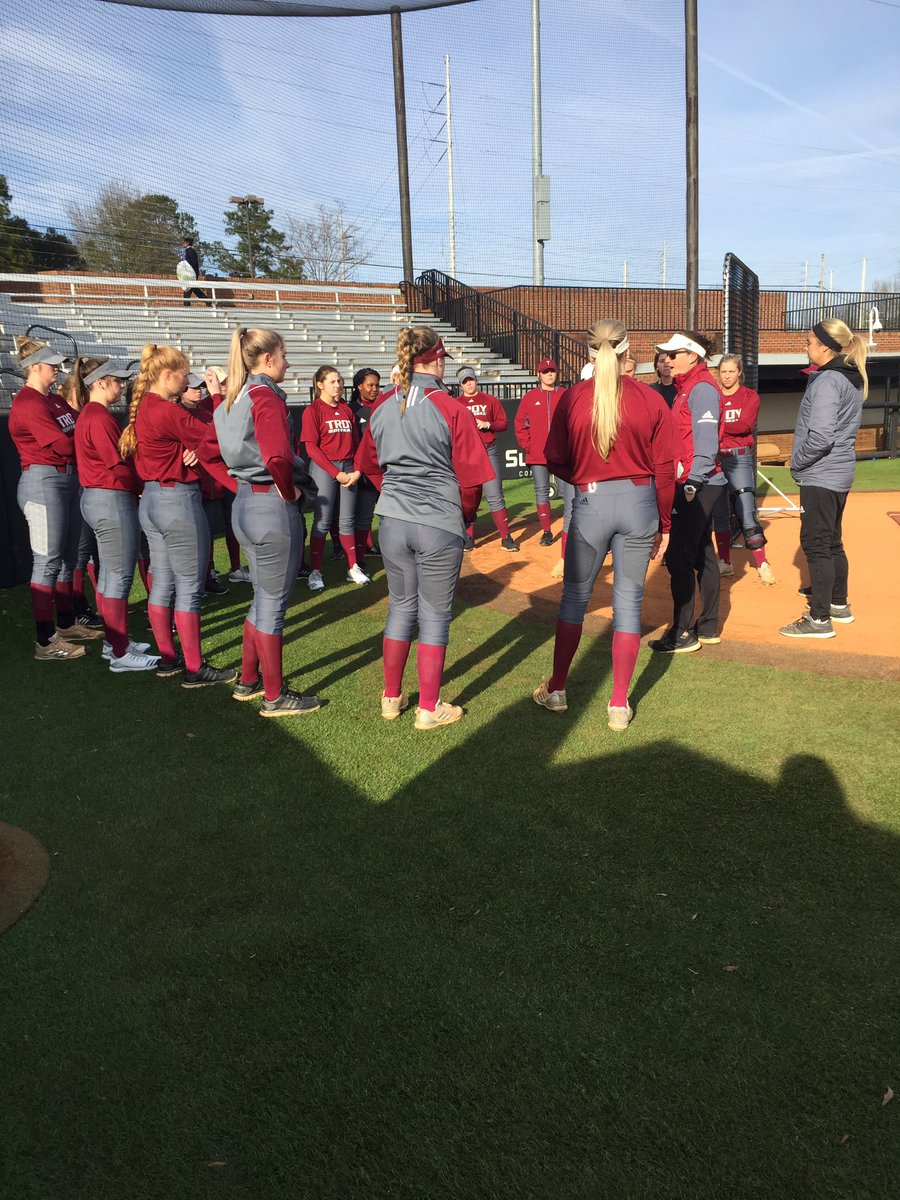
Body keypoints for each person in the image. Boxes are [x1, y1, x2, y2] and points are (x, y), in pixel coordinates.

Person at [534, 319, 675, 731]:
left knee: (575, 599)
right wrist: (664, 523)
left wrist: (581, 475)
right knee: (628, 604)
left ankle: (558, 689)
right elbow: (665, 469)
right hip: (639, 500)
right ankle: (618, 704)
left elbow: (553, 457)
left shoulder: (572, 398)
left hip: (591, 501)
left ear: (589, 353)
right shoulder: (650, 398)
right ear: (628, 349)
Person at [354, 325, 493, 730]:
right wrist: (464, 518)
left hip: (393, 520)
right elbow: (471, 481)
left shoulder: (382, 404)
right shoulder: (451, 408)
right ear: (435, 359)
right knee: (434, 614)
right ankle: (428, 708)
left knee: (400, 608)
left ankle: (391, 698)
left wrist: (396, 496)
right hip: (437, 522)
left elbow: (369, 465)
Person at [197, 327, 321, 716]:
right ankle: (274, 696)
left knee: (261, 599)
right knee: (273, 605)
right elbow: (278, 459)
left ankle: (249, 680)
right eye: (284, 356)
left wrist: (237, 484)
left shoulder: (229, 400)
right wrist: (289, 492)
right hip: (270, 507)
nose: (288, 362)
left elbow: (206, 453)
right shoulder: (264, 397)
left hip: (245, 506)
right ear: (267, 359)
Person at [120, 343, 236, 687]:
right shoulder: (167, 410)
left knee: (163, 582)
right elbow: (218, 435)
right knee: (188, 586)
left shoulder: (144, 407)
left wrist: (195, 449)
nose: (190, 381)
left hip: (152, 499)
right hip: (177, 501)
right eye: (184, 375)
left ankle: (169, 659)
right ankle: (194, 667)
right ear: (167, 375)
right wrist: (216, 398)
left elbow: (199, 441)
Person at [9, 336, 103, 660]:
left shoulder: (55, 401)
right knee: (47, 561)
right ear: (33, 367)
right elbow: (63, 445)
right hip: (43, 480)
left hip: (64, 479)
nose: (57, 369)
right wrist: (81, 440)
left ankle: (65, 624)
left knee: (67, 559)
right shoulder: (28, 402)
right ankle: (45, 641)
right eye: (51, 364)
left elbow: (75, 432)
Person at [779, 319, 866, 639]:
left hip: (822, 473)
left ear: (825, 347)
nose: (806, 347)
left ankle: (819, 620)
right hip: (837, 473)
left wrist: (796, 463)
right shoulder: (847, 376)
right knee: (831, 541)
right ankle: (838, 604)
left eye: (808, 342)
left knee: (816, 544)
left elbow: (821, 436)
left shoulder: (829, 380)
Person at [71, 357, 158, 672]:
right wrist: (141, 487)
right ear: (99, 382)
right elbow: (118, 465)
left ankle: (114, 643)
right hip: (110, 498)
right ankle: (120, 651)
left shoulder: (91, 414)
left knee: (110, 575)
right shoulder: (98, 417)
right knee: (118, 576)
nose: (122, 386)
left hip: (99, 498)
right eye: (116, 380)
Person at [649, 331, 726, 654]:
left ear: (693, 356)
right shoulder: (688, 388)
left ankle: (682, 632)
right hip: (697, 481)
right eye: (666, 354)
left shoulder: (702, 389)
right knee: (702, 555)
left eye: (674, 353)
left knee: (680, 556)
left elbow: (706, 444)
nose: (667, 359)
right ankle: (706, 626)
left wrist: (693, 480)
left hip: (698, 483)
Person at [300, 365, 368, 591]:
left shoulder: (347, 410)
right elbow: (311, 448)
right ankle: (316, 571)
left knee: (347, 520)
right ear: (320, 384)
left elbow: (358, 445)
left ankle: (353, 567)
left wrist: (356, 470)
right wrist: (334, 472)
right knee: (323, 520)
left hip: (348, 467)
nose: (338, 385)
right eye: (332, 382)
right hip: (325, 469)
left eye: (339, 381)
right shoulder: (313, 411)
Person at [711, 354, 775, 585]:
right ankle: (725, 562)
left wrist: (717, 426)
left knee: (746, 512)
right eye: (723, 371)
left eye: (731, 371)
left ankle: (762, 563)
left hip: (738, 458)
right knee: (720, 514)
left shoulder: (749, 396)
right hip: (716, 459)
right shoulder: (714, 396)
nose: (727, 376)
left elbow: (744, 425)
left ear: (739, 372)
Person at [456, 366, 518, 552]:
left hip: (488, 450)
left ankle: (505, 537)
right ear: (460, 384)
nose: (469, 384)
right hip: (467, 454)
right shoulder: (456, 403)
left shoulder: (489, 400)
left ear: (476, 380)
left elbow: (504, 423)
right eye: (465, 381)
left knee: (495, 495)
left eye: (471, 380)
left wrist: (488, 423)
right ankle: (468, 537)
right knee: (469, 498)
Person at [514, 357, 569, 547]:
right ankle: (547, 531)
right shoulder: (530, 397)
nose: (549, 374)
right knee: (541, 491)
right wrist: (528, 446)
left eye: (552, 371)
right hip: (537, 455)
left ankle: (571, 530)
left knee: (567, 491)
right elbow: (520, 424)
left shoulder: (564, 394)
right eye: (546, 372)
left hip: (561, 454)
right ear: (539, 374)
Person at [348, 367, 382, 566]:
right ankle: (360, 558)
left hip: (385, 470)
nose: (374, 389)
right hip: (363, 472)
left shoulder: (385, 406)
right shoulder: (351, 409)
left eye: (377, 385)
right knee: (364, 517)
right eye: (370, 385)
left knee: (389, 514)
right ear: (359, 386)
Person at [177, 237, 211, 308]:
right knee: (192, 289)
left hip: (191, 274)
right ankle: (208, 302)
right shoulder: (188, 251)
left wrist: (187, 267)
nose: (182, 244)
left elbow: (194, 262)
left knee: (188, 288)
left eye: (184, 242)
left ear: (187, 243)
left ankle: (187, 305)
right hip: (190, 274)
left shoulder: (190, 251)